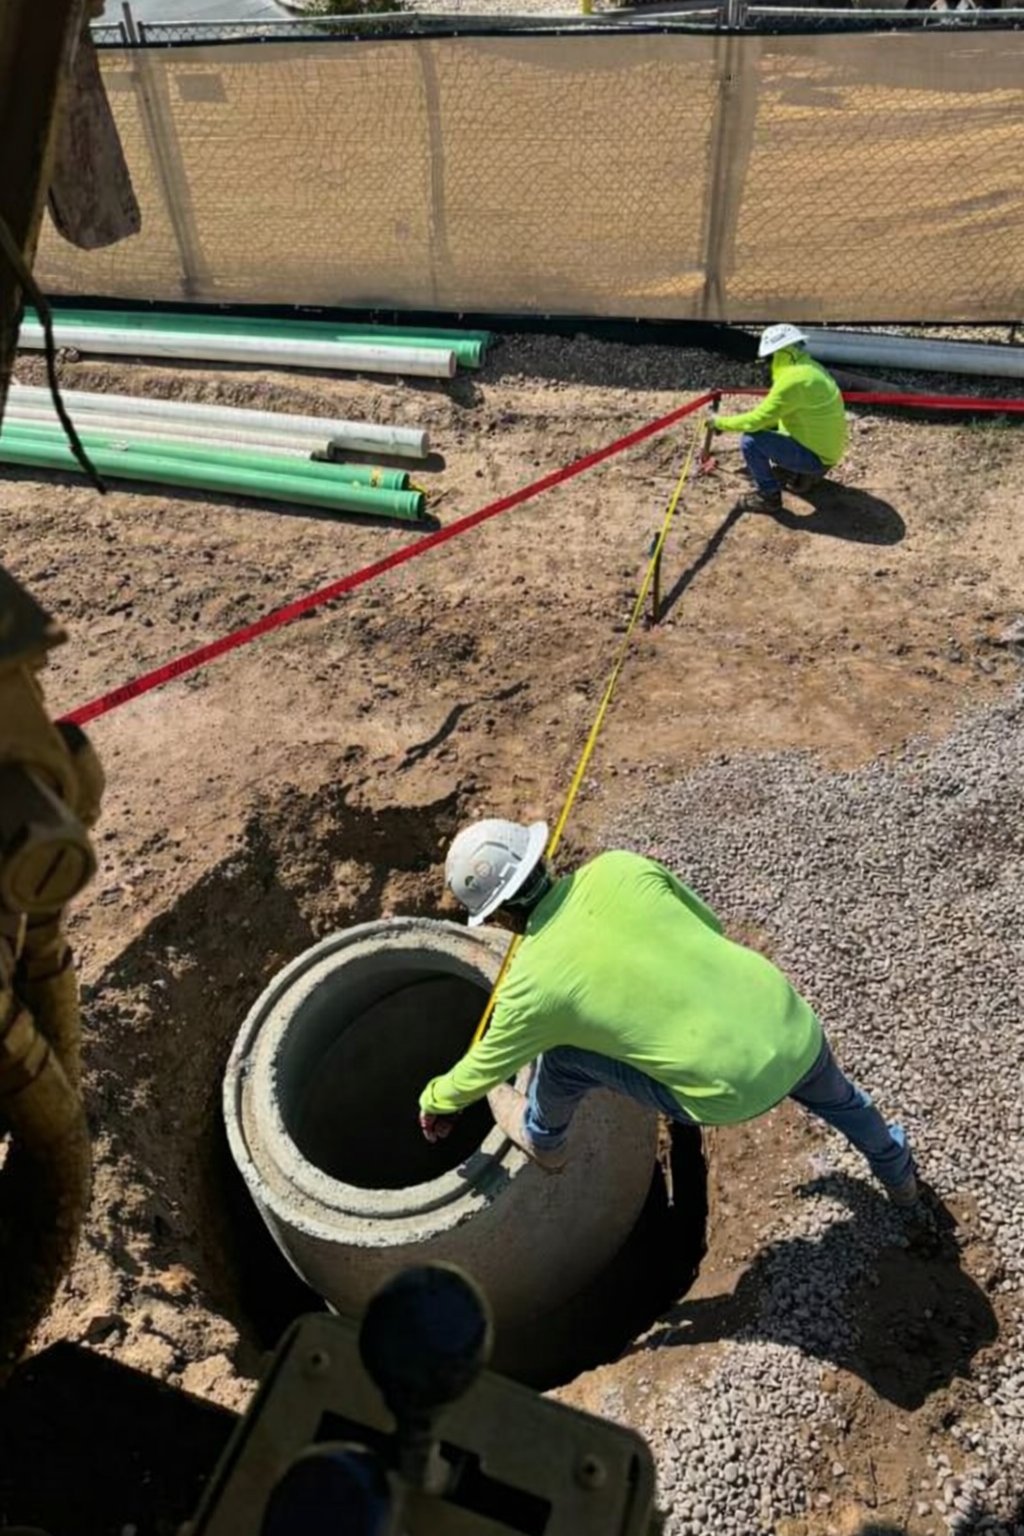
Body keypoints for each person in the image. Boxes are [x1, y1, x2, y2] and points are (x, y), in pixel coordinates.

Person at [418, 819, 918, 1207]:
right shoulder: (620, 867)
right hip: (790, 1020)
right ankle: (899, 1175)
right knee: (844, 1101)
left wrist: (436, 1099)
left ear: (497, 913)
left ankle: (544, 1138)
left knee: (564, 1058)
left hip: (729, 1089)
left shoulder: (530, 986)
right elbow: (710, 925)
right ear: (538, 856)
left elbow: (484, 1068)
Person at [710, 323, 848, 514]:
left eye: (770, 357)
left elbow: (755, 420)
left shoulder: (793, 380)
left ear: (780, 353)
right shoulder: (810, 368)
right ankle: (802, 474)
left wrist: (718, 422)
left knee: (751, 441)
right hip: (828, 449)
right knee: (771, 426)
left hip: (817, 456)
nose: (769, 362)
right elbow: (775, 417)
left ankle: (769, 497)